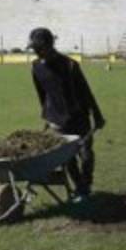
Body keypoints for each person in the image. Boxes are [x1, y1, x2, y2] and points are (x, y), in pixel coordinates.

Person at [28, 27, 106, 202]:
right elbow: (42, 94)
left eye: (39, 48)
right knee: (67, 158)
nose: (36, 52)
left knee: (86, 154)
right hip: (57, 121)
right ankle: (80, 188)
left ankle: (85, 185)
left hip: (79, 117)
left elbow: (86, 92)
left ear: (50, 45)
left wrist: (97, 115)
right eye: (34, 49)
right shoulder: (35, 67)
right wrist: (47, 116)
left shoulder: (70, 65)